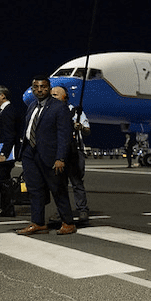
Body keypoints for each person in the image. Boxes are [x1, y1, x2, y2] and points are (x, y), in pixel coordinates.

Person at [16, 76, 77, 235]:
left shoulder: (59, 107)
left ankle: (68, 223)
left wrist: (60, 158)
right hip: (30, 153)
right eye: (36, 87)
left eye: (43, 87)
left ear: (49, 89)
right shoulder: (31, 106)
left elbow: (64, 135)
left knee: (58, 189)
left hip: (50, 155)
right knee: (35, 190)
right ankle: (38, 223)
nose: (39, 90)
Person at [50, 86, 90, 222]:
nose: (52, 97)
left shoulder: (75, 111)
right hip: (57, 150)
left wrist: (80, 127)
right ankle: (61, 211)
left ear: (64, 97)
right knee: (59, 183)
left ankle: (82, 209)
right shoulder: (50, 111)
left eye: (55, 95)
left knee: (77, 182)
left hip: (74, 150)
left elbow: (87, 130)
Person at [0, 85, 22, 217]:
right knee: (2, 180)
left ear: (2, 96)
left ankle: (8, 209)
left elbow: (9, 135)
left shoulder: (8, 111)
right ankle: (6, 208)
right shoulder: (5, 110)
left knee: (2, 180)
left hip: (5, 153)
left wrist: (3, 154)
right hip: (2, 151)